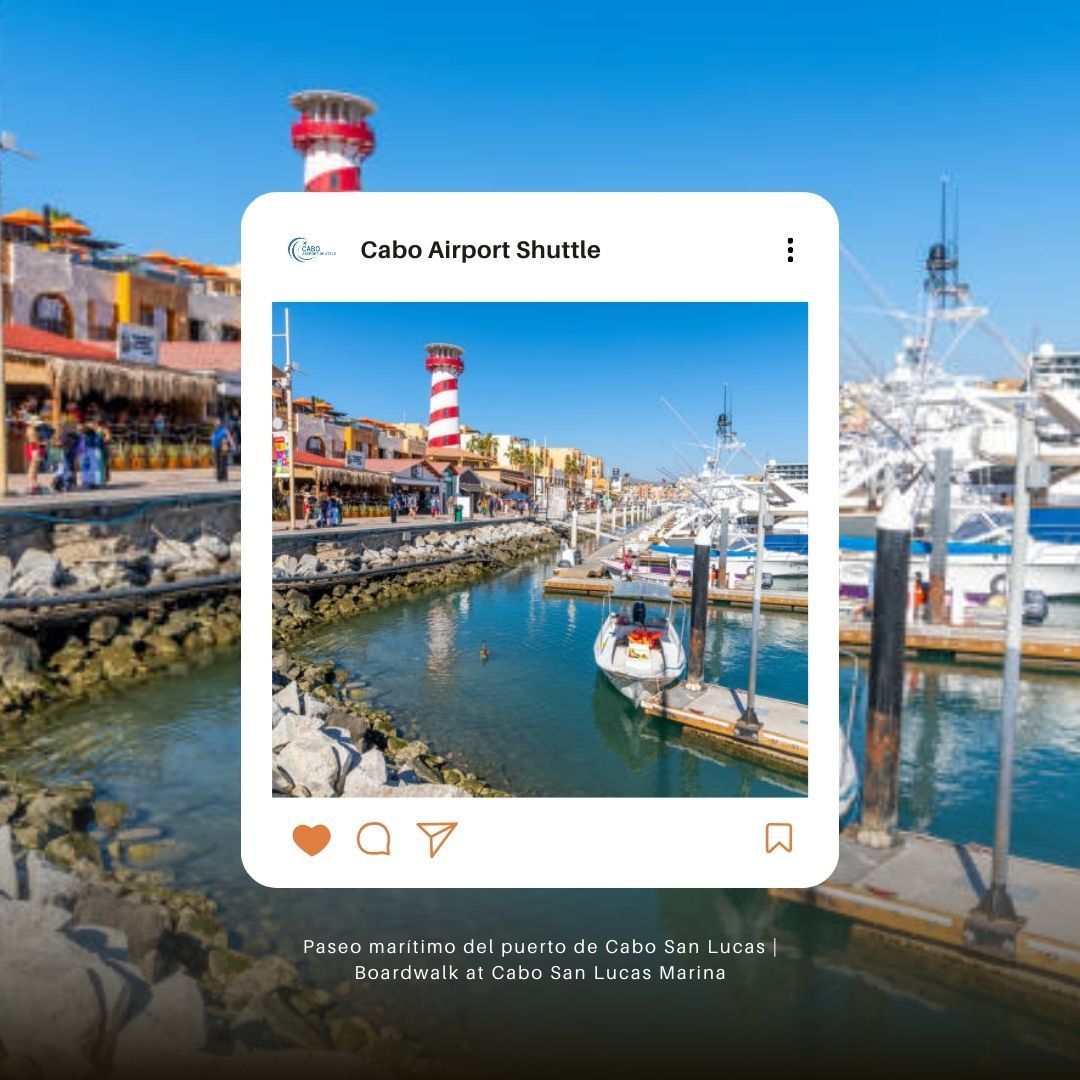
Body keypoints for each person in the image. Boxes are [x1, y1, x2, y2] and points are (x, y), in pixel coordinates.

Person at [211, 417, 235, 481]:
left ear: (220, 423)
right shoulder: (214, 431)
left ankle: (224, 477)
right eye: (215, 423)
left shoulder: (224, 430)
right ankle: (219, 477)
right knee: (218, 462)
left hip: (223, 447)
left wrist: (232, 444)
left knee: (223, 462)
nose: (216, 424)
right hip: (216, 447)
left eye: (217, 422)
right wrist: (212, 447)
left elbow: (229, 437)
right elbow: (213, 439)